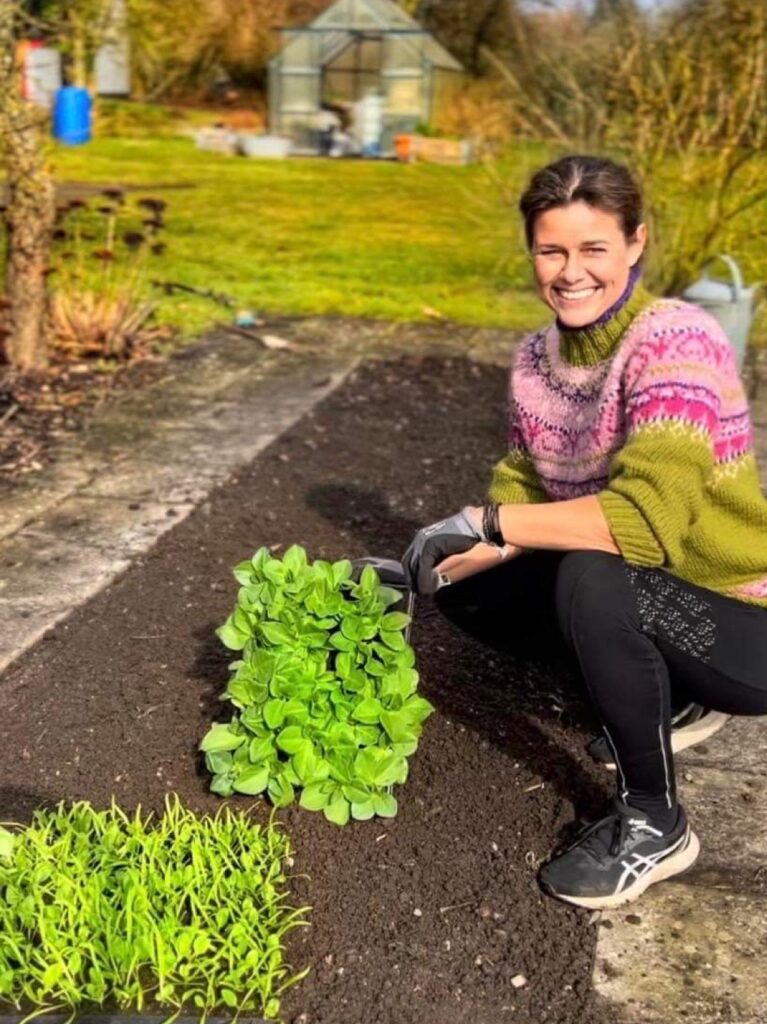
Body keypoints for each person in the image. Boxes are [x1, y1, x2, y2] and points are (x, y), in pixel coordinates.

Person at [401, 155, 767, 910]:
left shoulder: (678, 342)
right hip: (661, 601)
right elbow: (521, 492)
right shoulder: (538, 359)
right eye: (550, 250)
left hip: (741, 621)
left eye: (592, 248)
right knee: (470, 593)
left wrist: (485, 522)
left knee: (592, 576)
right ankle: (664, 697)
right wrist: (422, 568)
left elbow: (639, 524)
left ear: (635, 243)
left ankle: (655, 822)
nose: (569, 272)